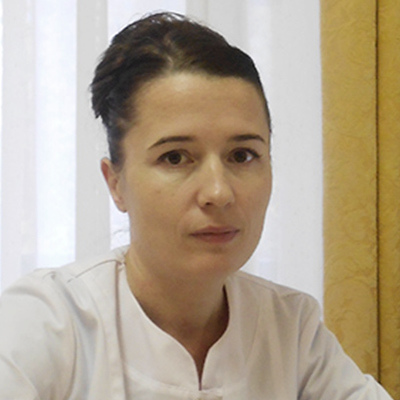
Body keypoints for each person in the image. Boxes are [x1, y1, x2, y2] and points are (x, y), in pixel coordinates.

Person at [0, 12, 393, 400]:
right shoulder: (46, 323)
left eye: (242, 155)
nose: (218, 192)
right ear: (115, 182)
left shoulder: (290, 330)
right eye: (175, 158)